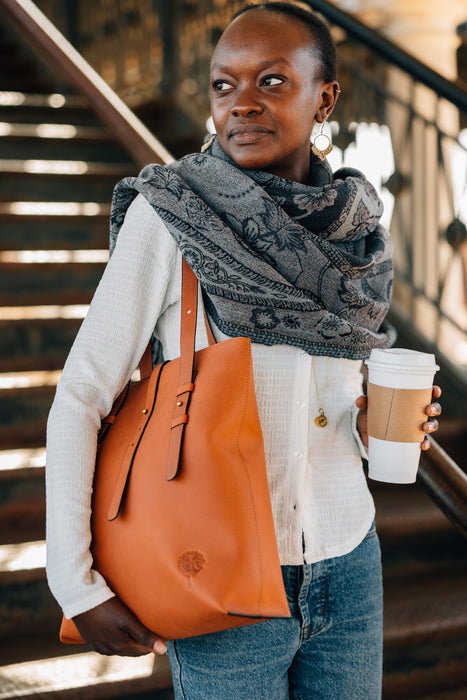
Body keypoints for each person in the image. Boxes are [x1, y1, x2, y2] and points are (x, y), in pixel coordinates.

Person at [46, 3, 442, 698]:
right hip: (218, 566)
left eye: (271, 81)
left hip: (348, 562)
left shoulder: (352, 236)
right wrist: (74, 583)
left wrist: (377, 419)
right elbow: (81, 395)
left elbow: (322, 405)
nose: (241, 104)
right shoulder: (173, 215)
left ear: (325, 97)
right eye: (223, 86)